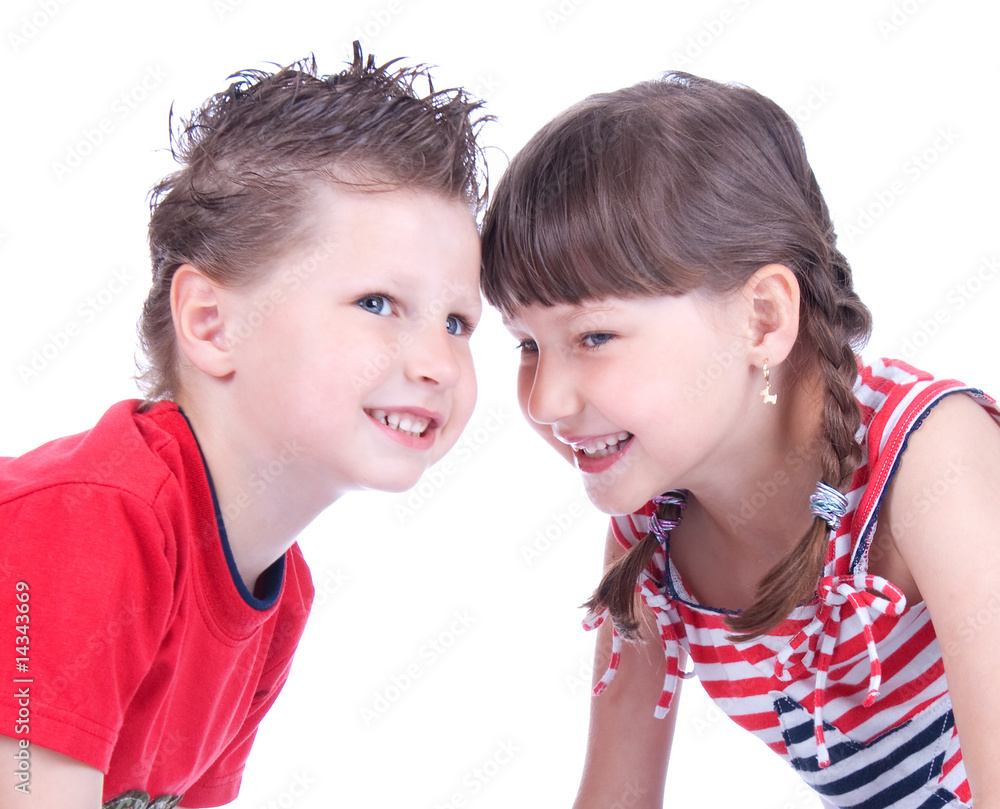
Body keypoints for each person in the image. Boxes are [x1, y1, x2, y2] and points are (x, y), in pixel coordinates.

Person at [480, 72, 1000, 808]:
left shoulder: (931, 458)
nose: (547, 399)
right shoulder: (651, 533)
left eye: (594, 336)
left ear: (761, 319)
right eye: (527, 345)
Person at [1, 43, 487, 808]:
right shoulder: (96, 521)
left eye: (458, 320)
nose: (439, 362)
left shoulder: (278, 591)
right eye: (377, 303)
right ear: (212, 323)